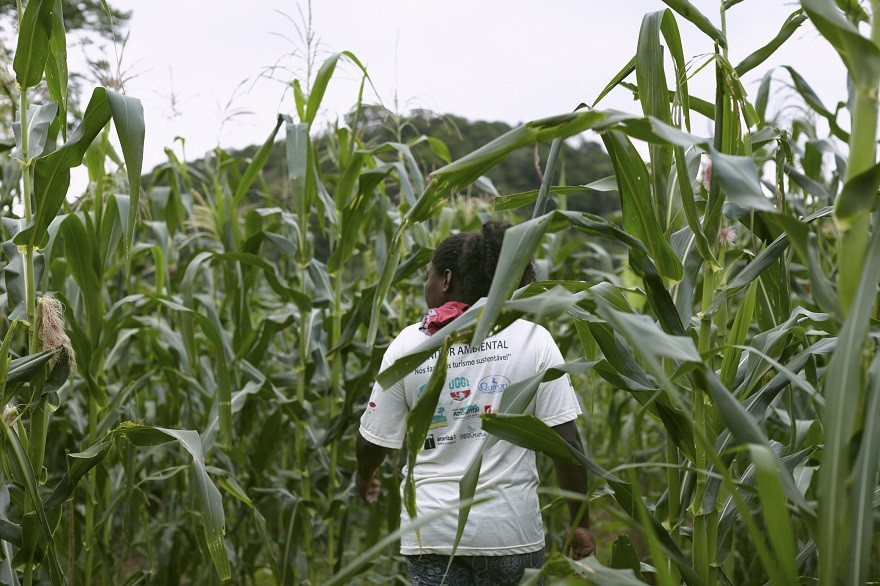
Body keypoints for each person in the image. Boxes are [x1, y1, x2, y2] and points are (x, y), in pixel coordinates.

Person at [355, 221, 595, 585]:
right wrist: (580, 524)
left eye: (429, 276)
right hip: (510, 532)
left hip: (431, 533)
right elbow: (566, 442)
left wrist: (364, 475)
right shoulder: (534, 339)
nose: (426, 286)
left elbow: (373, 440)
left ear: (447, 279)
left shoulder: (408, 346)